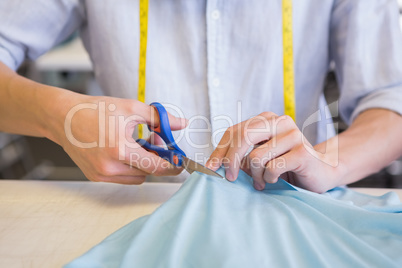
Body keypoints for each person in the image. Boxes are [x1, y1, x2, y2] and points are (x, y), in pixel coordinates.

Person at [0, 0, 401, 193]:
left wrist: (330, 162)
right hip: (138, 213)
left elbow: (392, 99)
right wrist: (60, 115)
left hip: (297, 209)